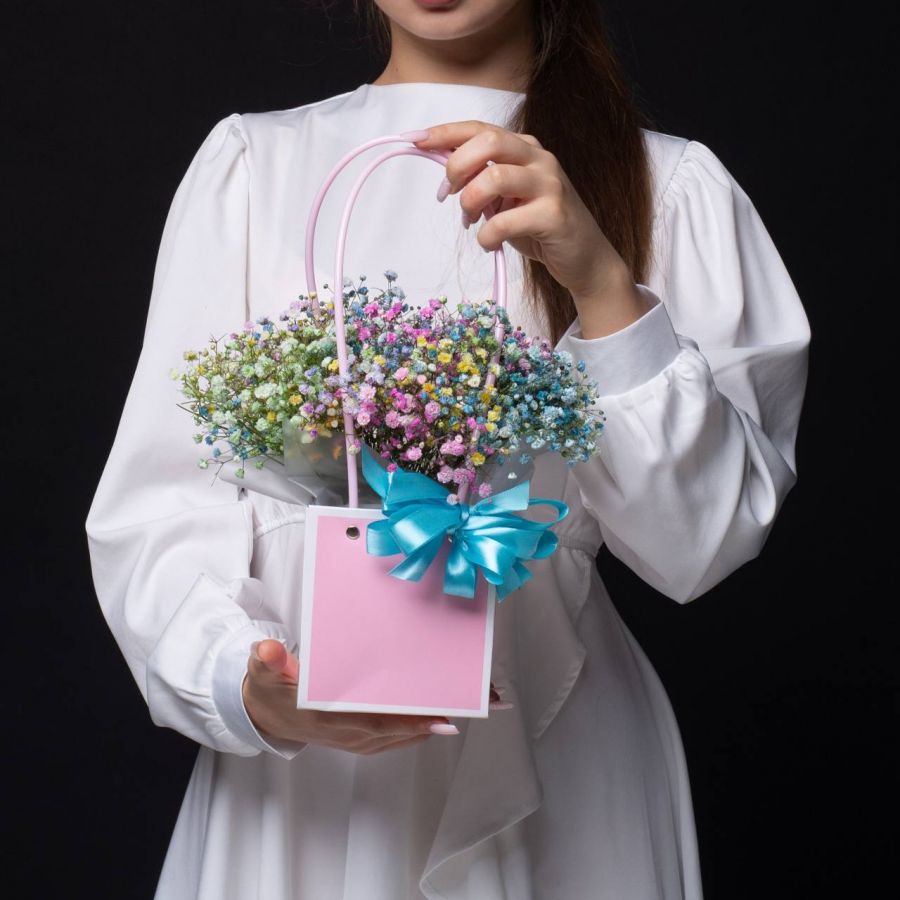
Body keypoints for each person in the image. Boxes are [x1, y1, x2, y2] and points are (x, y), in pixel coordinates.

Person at [84, 1, 811, 897]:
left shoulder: (672, 186)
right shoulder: (255, 166)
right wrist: (240, 674)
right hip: (307, 776)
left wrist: (600, 281)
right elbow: (158, 507)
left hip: (566, 763)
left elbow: (699, 543)